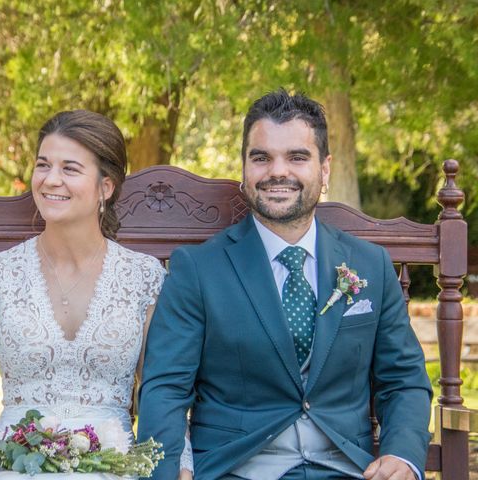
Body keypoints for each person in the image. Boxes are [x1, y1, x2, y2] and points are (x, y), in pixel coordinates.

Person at [137, 89, 432, 480]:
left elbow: (404, 379)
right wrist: (167, 468)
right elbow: (166, 389)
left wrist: (402, 455)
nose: (278, 172)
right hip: (236, 469)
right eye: (261, 157)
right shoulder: (197, 269)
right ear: (244, 169)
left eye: (297, 157)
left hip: (348, 469)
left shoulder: (370, 266)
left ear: (325, 170)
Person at [0, 110, 192, 479]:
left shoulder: (145, 278)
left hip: (113, 467)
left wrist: (181, 466)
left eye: (70, 169)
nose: (50, 180)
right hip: (14, 467)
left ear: (106, 187)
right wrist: (10, 454)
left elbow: (163, 394)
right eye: (43, 165)